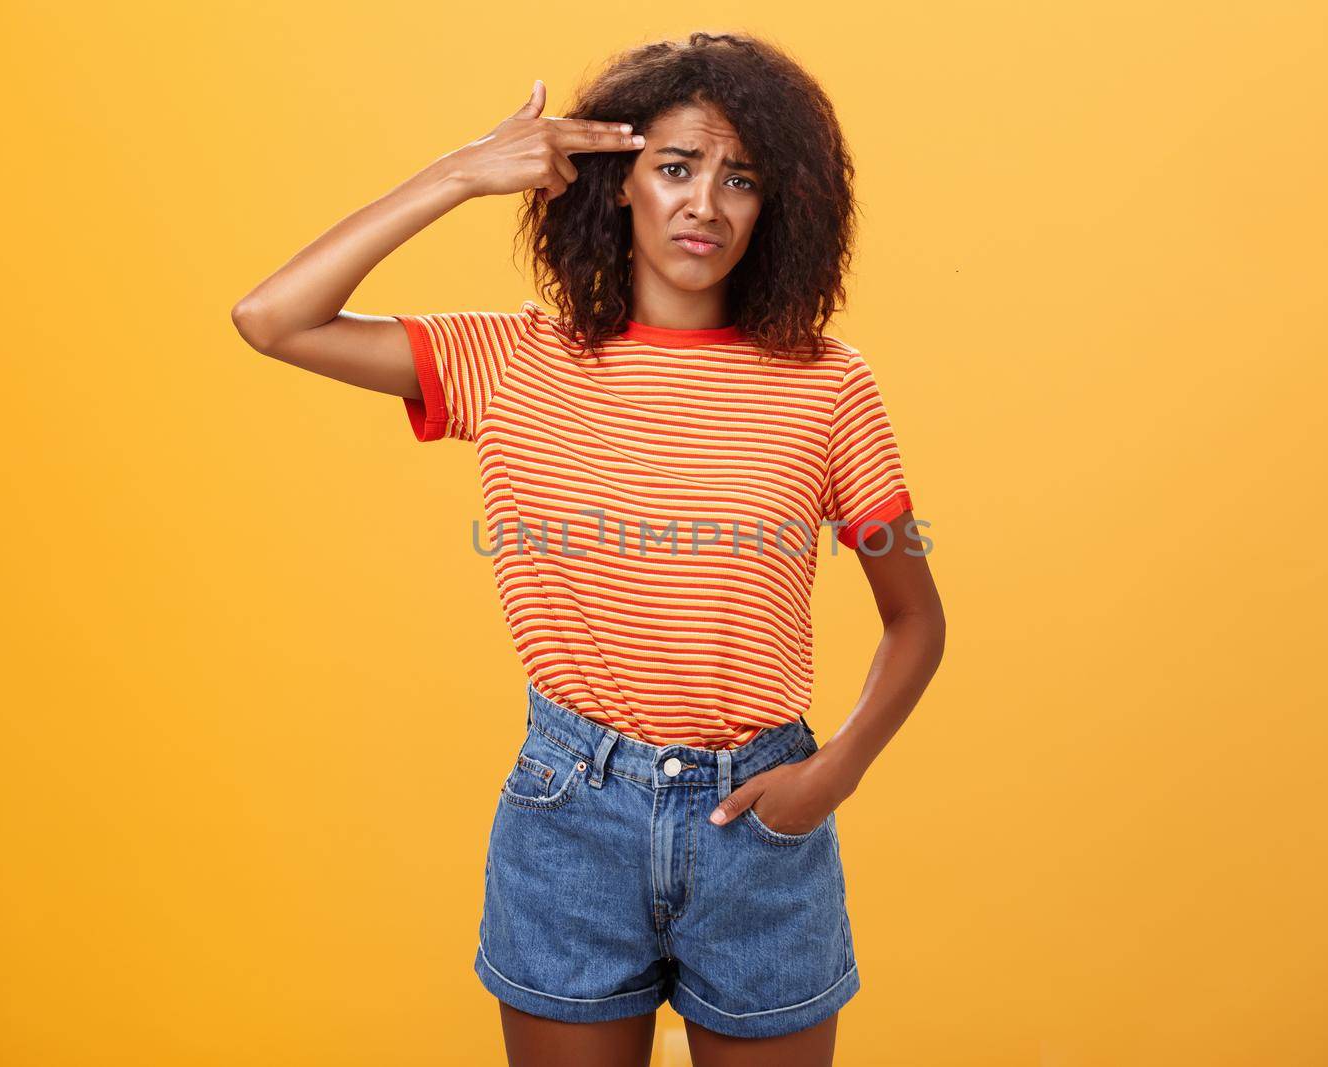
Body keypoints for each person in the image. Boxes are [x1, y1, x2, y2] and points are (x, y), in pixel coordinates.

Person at [231, 31, 945, 1067]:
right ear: (618, 186)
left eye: (738, 178)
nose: (704, 202)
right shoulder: (511, 360)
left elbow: (916, 616)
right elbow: (270, 317)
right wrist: (463, 172)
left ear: (773, 205)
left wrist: (834, 772)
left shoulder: (828, 386)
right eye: (674, 166)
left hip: (761, 821)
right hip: (572, 812)